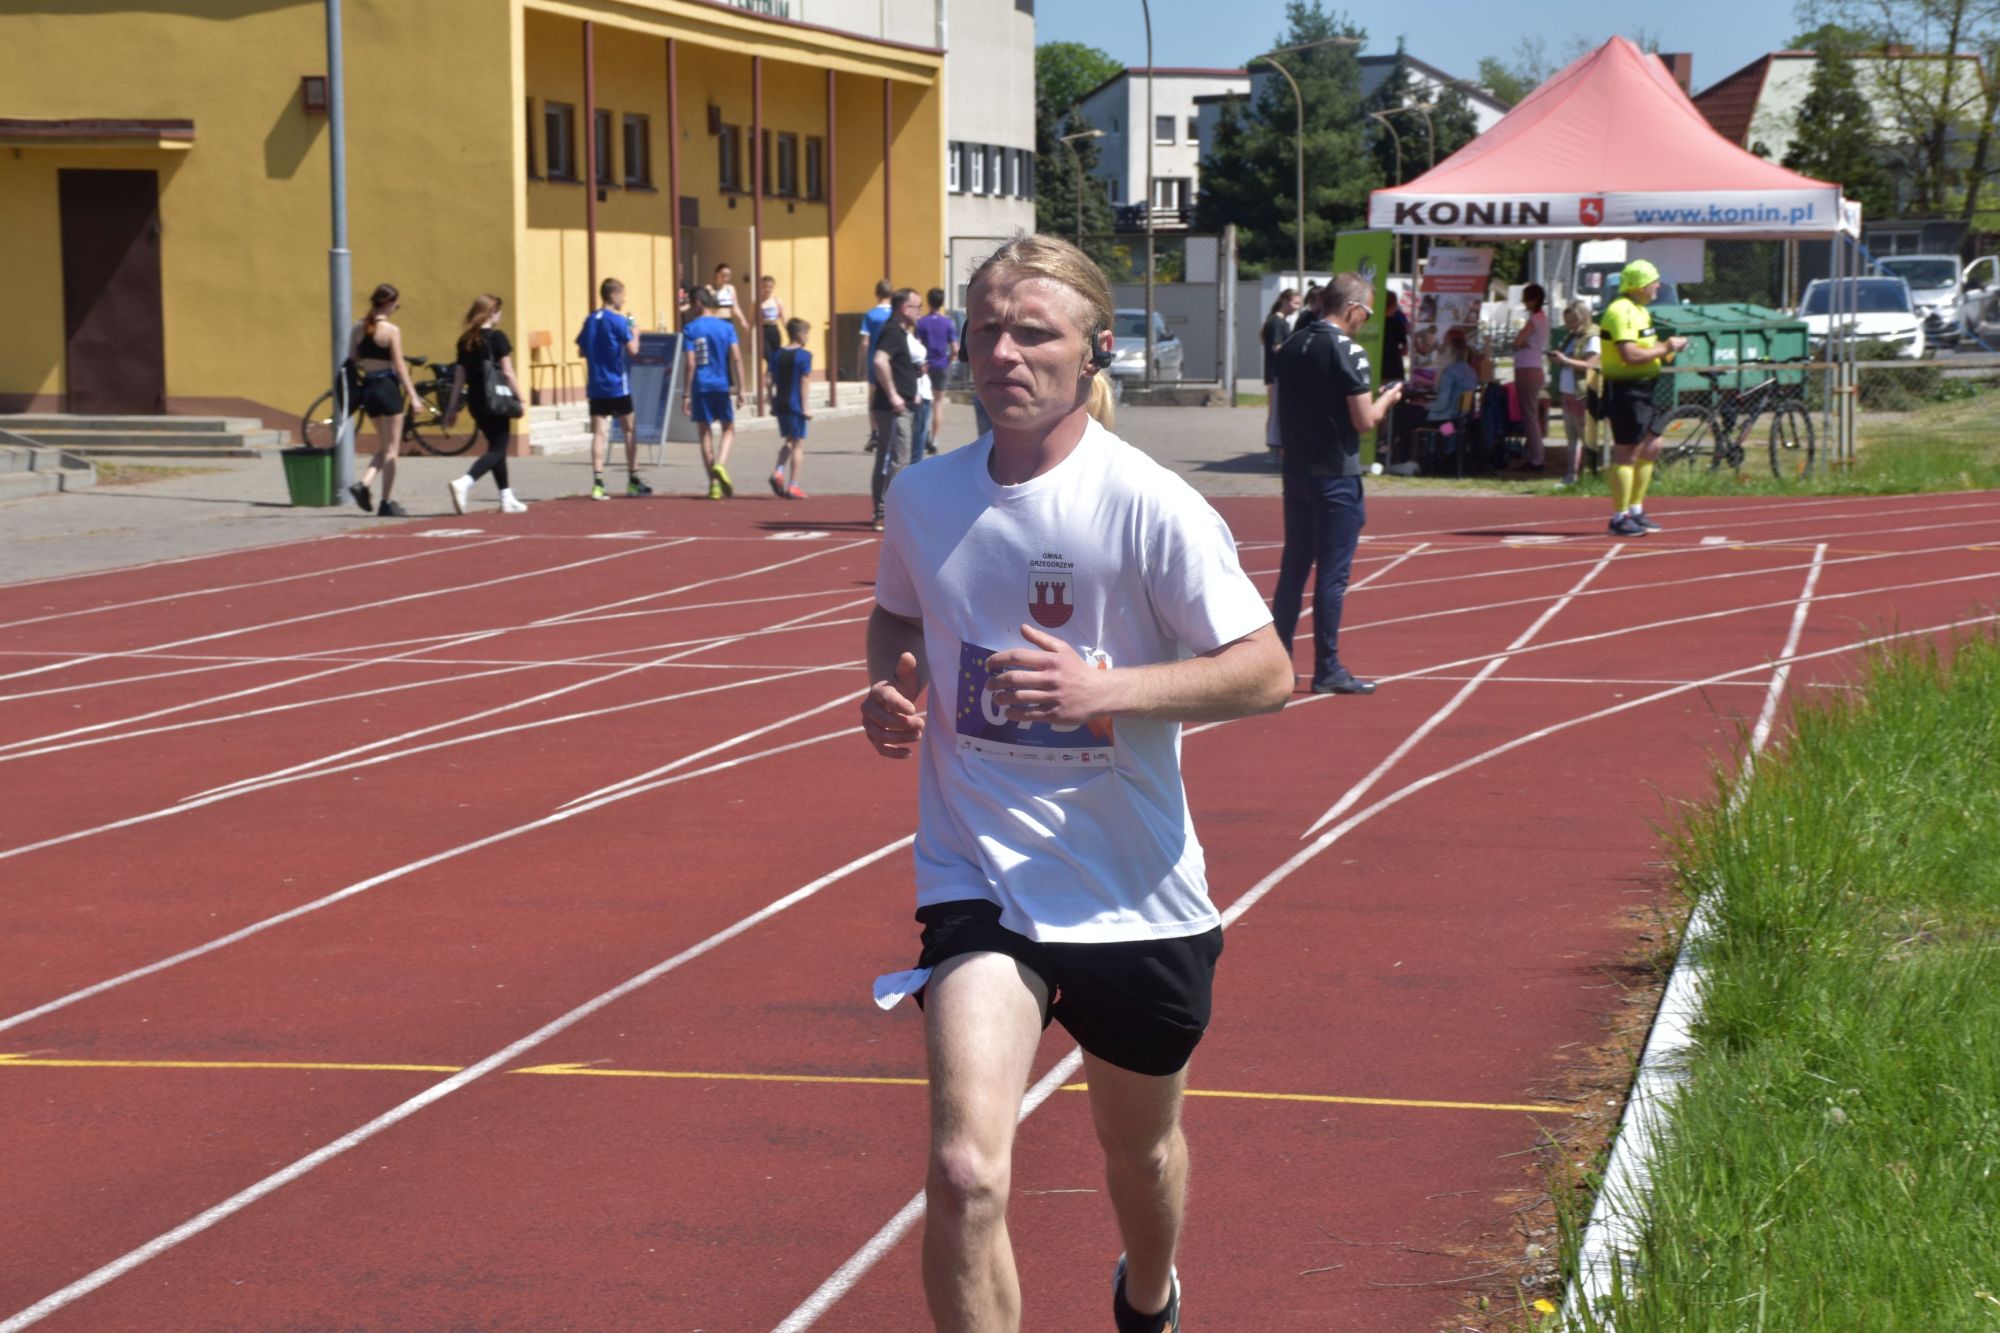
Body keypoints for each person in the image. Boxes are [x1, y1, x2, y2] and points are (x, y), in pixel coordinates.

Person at [859, 231, 1292, 1333]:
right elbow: (898, 613)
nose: (1003, 353)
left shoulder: (1148, 504)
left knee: (1137, 1153)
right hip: (980, 880)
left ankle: (1147, 1296)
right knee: (964, 1171)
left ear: (1094, 351)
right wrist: (889, 690)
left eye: (1033, 333)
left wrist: (1107, 691)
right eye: (986, 330)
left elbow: (1265, 672)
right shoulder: (920, 496)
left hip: (1131, 891)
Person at [1271, 275, 1404, 696]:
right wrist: (1388, 400)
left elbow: (1274, 413)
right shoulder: (1348, 349)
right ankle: (1327, 666)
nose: (1364, 321)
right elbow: (1363, 421)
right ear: (1352, 309)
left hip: (1297, 471)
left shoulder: (1290, 346)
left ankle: (1276, 664)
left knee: (1293, 569)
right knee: (1331, 574)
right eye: (1365, 313)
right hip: (1336, 473)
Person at [1598, 260, 1687, 536]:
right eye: (1653, 281)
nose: (1658, 286)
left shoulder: (1640, 310)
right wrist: (1665, 348)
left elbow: (1648, 348)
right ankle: (1619, 516)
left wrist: (1667, 350)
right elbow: (1630, 354)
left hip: (1646, 387)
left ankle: (1635, 509)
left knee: (1653, 444)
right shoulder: (1620, 311)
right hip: (1626, 388)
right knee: (1627, 449)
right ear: (1639, 285)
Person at [441, 293, 528, 515]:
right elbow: (507, 372)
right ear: (492, 313)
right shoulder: (498, 338)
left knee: (495, 447)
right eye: (498, 311)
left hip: (476, 400)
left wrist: (452, 408)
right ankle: (465, 482)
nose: (500, 315)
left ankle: (506, 497)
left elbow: (459, 377)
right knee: (499, 449)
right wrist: (521, 398)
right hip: (496, 398)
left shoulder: (465, 340)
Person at [345, 283, 422, 517]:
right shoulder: (391, 331)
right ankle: (386, 502)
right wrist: (414, 396)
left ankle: (364, 484)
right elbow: (399, 366)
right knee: (392, 450)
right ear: (387, 303)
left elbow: (353, 358)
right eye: (395, 303)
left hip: (368, 389)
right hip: (387, 389)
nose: (396, 307)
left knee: (383, 445)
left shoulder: (359, 327)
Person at [578, 277, 652, 501]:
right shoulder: (618, 321)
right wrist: (635, 331)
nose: (624, 298)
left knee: (599, 433)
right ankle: (633, 479)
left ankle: (598, 483)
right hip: (617, 385)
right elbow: (633, 350)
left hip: (596, 385)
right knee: (630, 429)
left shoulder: (590, 320)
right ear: (613, 295)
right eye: (622, 294)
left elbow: (581, 351)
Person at [868, 287, 922, 532]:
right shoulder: (892, 331)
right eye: (916, 307)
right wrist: (894, 396)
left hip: (903, 404)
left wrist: (913, 387)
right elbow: (879, 360)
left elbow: (897, 365)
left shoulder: (899, 333)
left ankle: (886, 511)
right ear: (904, 308)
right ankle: (884, 512)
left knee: (896, 458)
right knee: (895, 460)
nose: (919, 312)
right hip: (894, 409)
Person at [681, 290, 744, 500]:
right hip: (721, 385)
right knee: (728, 428)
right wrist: (741, 388)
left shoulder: (690, 328)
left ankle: (713, 485)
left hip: (701, 386)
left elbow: (690, 363)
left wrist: (686, 394)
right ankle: (721, 464)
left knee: (705, 432)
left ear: (698, 303)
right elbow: (736, 357)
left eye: (691, 304)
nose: (690, 309)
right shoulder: (726, 327)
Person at [1550, 301, 1601, 488]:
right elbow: (1568, 359)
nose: (1570, 325)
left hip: (1582, 393)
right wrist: (1558, 359)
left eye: (1573, 321)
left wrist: (1566, 360)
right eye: (1567, 321)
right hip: (1568, 391)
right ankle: (1571, 475)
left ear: (1583, 316)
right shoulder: (1572, 336)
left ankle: (1589, 474)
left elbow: (1592, 364)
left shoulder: (1593, 337)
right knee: (1571, 437)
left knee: (1584, 435)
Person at [767, 317, 813, 499]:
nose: (807, 338)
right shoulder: (804, 356)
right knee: (798, 444)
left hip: (781, 403)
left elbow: (768, 379)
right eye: (807, 334)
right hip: (795, 405)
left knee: (788, 440)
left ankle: (778, 471)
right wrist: (806, 408)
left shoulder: (777, 354)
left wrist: (771, 401)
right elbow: (804, 382)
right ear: (800, 335)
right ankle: (793, 485)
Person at [1509, 283, 1550, 472]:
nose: (1523, 301)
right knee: (1531, 414)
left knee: (1530, 416)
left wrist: (1519, 343)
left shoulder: (1534, 319)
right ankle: (1535, 455)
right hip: (1534, 368)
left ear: (1533, 300)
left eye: (1526, 298)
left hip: (1527, 369)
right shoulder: (1542, 319)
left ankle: (1536, 458)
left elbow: (1517, 342)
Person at [915, 288, 958, 455]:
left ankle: (923, 436)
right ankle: (935, 440)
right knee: (938, 403)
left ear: (928, 301)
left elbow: (917, 344)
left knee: (924, 402)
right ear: (942, 302)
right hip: (941, 365)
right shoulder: (947, 322)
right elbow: (955, 347)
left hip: (925, 367)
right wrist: (949, 360)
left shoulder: (921, 322)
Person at [1260, 288, 1300, 462]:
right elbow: (1276, 346)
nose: (1297, 307)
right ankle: (1273, 451)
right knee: (1274, 413)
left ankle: (1274, 450)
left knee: (1275, 412)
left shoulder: (1281, 321)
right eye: (1295, 303)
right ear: (1285, 300)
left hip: (1277, 373)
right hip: (1275, 373)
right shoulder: (1277, 322)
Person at [860, 279, 895, 454]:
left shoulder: (870, 315)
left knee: (873, 399)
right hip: (892, 361)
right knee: (892, 394)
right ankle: (891, 432)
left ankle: (875, 432)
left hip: (874, 361)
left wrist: (861, 363)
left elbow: (865, 342)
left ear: (876, 293)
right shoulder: (895, 314)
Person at [757, 273, 785, 379]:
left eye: (769, 287)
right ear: (761, 286)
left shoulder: (777, 301)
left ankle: (771, 378)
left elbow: (782, 316)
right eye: (765, 286)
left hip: (774, 330)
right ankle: (770, 377)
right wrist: (749, 339)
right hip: (763, 330)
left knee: (776, 356)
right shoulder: (758, 302)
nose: (767, 289)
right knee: (768, 356)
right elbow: (752, 322)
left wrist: (789, 329)